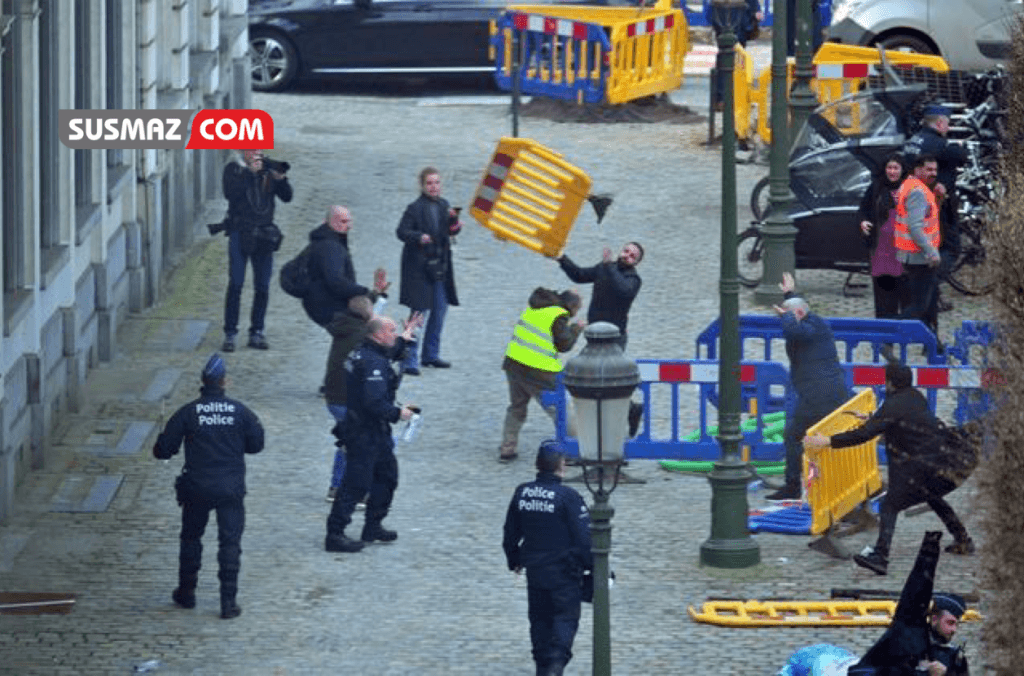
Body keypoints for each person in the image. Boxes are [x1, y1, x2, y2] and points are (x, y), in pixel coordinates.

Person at [804, 360, 975, 576]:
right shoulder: (915, 396)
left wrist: (828, 441)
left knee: (889, 506)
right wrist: (873, 419)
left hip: (922, 468)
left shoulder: (894, 404)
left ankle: (881, 556)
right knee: (933, 497)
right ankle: (963, 540)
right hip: (941, 462)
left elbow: (865, 434)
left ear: (890, 382)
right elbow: (899, 422)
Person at [152, 354, 265, 619]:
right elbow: (256, 445)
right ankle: (228, 601)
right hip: (230, 488)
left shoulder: (189, 412)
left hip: (197, 487)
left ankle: (187, 592)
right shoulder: (240, 411)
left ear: (203, 381)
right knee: (230, 542)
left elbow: (163, 451)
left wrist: (161, 438)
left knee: (191, 538)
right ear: (225, 381)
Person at [324, 316, 416, 553]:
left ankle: (373, 526)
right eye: (391, 331)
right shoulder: (372, 363)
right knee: (356, 483)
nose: (394, 334)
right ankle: (335, 534)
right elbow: (374, 402)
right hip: (365, 432)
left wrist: (404, 339)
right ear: (378, 335)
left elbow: (388, 351)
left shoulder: (365, 351)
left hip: (374, 431)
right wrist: (399, 413)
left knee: (387, 477)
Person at [503, 440, 593, 676]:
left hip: (535, 572)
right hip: (564, 574)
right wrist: (595, 569)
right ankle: (554, 667)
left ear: (538, 464)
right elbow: (585, 539)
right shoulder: (568, 497)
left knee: (539, 621)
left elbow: (510, 532)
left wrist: (514, 559)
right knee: (565, 619)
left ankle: (542, 669)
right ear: (561, 465)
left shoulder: (523, 492)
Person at [323, 297, 420, 502]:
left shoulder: (351, 330)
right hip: (347, 400)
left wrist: (403, 338)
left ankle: (339, 487)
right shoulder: (360, 337)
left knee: (350, 442)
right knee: (365, 446)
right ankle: (354, 491)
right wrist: (396, 413)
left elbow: (384, 349)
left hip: (337, 397)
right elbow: (381, 356)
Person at [765, 272, 851, 502]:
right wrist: (790, 295)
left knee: (794, 436)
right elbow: (798, 313)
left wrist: (786, 316)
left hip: (818, 396)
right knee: (822, 438)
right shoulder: (812, 321)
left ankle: (794, 486)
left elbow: (794, 330)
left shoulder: (810, 327)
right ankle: (829, 482)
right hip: (825, 393)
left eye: (791, 316)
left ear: (800, 314)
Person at [846, 532, 970, 675]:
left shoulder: (954, 657)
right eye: (950, 623)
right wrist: (929, 551)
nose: (954, 629)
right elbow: (916, 593)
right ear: (935, 619)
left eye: (956, 624)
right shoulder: (907, 634)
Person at [499, 289, 584, 462]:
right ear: (572, 306)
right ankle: (573, 449)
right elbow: (564, 344)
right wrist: (576, 328)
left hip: (514, 363)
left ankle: (507, 447)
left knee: (517, 406)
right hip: (540, 369)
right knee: (561, 407)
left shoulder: (535, 307)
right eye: (577, 309)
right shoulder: (558, 315)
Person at [220, 149, 292, 352]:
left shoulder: (268, 172)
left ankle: (257, 331)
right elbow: (230, 194)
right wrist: (249, 174)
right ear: (243, 153)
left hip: (264, 234)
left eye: (259, 152)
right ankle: (230, 333)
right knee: (236, 284)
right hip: (240, 232)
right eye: (251, 151)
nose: (256, 156)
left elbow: (287, 197)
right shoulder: (233, 169)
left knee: (262, 286)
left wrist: (281, 179)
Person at [904, 104, 968, 325]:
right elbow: (960, 156)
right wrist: (959, 147)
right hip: (938, 206)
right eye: (947, 124)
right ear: (940, 123)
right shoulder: (939, 144)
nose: (948, 128)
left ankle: (929, 294)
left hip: (917, 203)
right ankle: (929, 285)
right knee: (952, 247)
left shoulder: (913, 140)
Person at [396, 167, 461, 375]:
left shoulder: (444, 205)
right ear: (422, 185)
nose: (434, 187)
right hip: (419, 269)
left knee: (439, 311)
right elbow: (401, 232)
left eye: (437, 182)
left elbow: (450, 231)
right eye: (430, 183)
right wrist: (418, 237)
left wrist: (455, 224)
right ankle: (409, 360)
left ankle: (430, 355)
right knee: (418, 314)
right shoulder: (414, 208)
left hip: (440, 267)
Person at [302, 205, 387, 329]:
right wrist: (365, 292)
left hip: (327, 307)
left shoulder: (328, 242)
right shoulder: (331, 247)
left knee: (368, 329)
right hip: (331, 310)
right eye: (343, 222)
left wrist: (376, 294)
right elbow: (336, 282)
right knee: (365, 332)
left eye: (349, 222)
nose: (348, 226)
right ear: (326, 222)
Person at [556, 242, 643, 348]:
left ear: (636, 263)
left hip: (614, 338)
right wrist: (561, 258)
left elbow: (623, 290)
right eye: (626, 251)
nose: (627, 256)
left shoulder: (634, 280)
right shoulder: (604, 267)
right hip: (594, 333)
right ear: (621, 251)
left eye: (632, 256)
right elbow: (579, 275)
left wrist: (609, 265)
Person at [894, 155, 942, 341]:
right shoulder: (918, 192)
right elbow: (915, 227)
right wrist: (931, 252)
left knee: (929, 304)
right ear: (918, 170)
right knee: (919, 307)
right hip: (920, 257)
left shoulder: (911, 186)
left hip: (912, 254)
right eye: (929, 169)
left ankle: (933, 343)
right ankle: (886, 335)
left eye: (935, 170)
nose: (933, 173)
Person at [858, 154, 912, 319]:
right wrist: (863, 221)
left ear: (902, 170)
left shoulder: (910, 188)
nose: (892, 172)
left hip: (904, 250)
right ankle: (884, 326)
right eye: (889, 168)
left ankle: (903, 326)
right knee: (883, 294)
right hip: (881, 249)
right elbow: (863, 209)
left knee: (904, 292)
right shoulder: (876, 187)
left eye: (896, 168)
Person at [710, 0, 763, 108]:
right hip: (737, 13)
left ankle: (723, 98)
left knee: (726, 54)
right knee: (736, 55)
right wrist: (755, 10)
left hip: (720, 11)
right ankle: (732, 97)